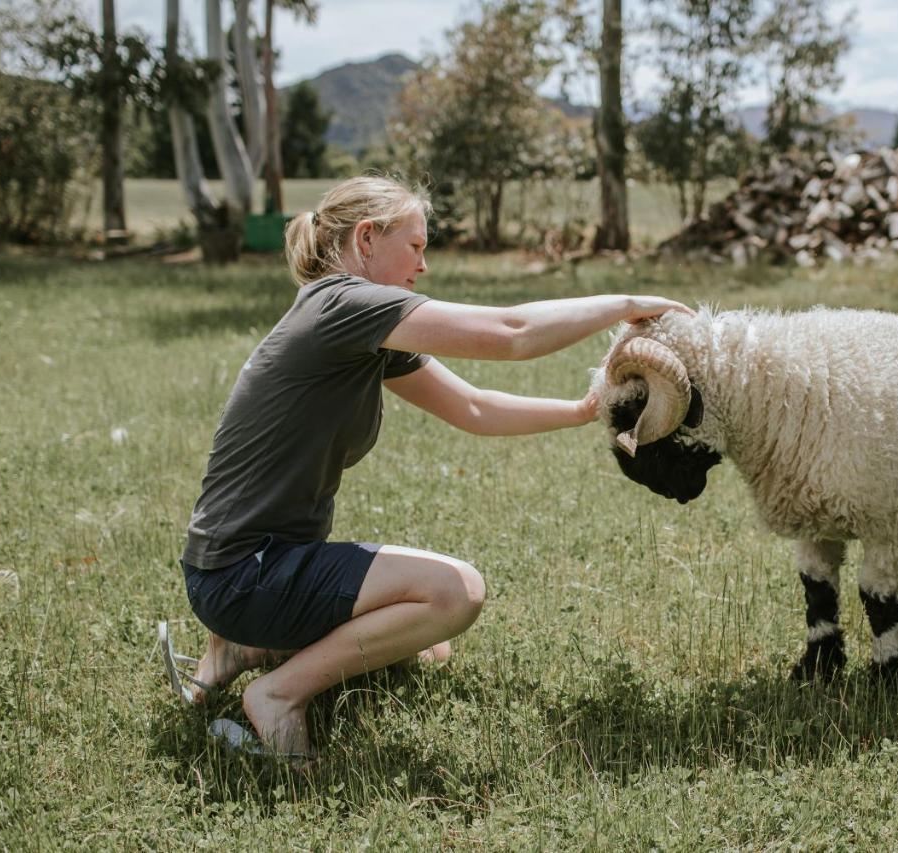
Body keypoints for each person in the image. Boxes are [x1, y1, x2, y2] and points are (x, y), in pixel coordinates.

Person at [164, 175, 690, 758]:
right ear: (367, 239)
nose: (424, 264)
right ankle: (278, 694)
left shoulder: (358, 328)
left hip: (250, 570)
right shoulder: (343, 304)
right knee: (454, 594)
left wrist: (581, 411)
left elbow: (472, 407)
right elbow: (510, 333)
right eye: (414, 246)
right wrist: (626, 304)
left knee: (425, 647)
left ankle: (241, 650)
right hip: (244, 574)